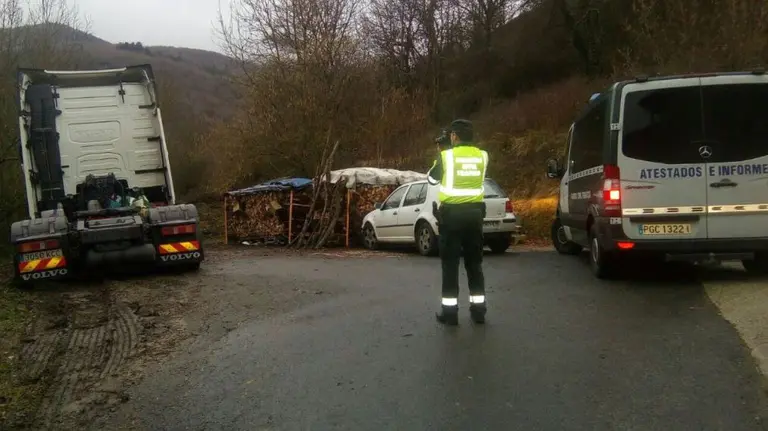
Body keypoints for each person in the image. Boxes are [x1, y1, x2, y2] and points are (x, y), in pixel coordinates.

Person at [426, 119, 488, 325]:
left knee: (450, 265)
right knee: (474, 263)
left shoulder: (446, 156)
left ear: (454, 136)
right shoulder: (482, 156)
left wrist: (441, 152)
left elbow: (432, 179)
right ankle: (479, 310)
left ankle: (450, 313)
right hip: (475, 215)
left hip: (452, 216)